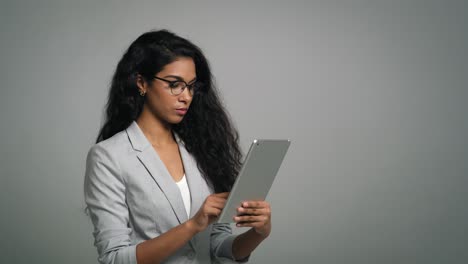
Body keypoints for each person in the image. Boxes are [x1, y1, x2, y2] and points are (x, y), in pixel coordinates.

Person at [84, 29, 272, 264]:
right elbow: (114, 258)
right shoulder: (108, 157)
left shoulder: (201, 149)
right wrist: (193, 225)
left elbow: (217, 246)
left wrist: (258, 234)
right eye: (175, 84)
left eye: (191, 86)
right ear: (141, 83)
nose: (186, 96)